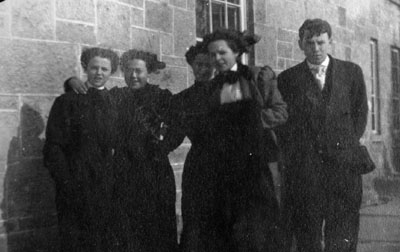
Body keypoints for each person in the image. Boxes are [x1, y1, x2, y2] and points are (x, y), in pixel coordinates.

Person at [174, 29, 287, 252]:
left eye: (222, 52)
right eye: (213, 54)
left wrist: (250, 121)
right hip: (223, 170)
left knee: (256, 231)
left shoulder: (258, 76)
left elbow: (281, 112)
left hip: (254, 167)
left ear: (236, 52)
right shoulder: (212, 87)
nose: (217, 59)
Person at [63, 49, 184, 251]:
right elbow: (92, 93)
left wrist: (161, 148)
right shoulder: (117, 96)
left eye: (139, 71)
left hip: (155, 172)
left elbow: (179, 127)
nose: (133, 76)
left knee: (157, 230)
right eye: (128, 71)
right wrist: (71, 82)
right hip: (124, 172)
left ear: (148, 72)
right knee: (126, 230)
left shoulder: (162, 97)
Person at [276, 19, 368, 252]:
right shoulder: (287, 79)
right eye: (309, 43)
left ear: (330, 42)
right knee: (308, 234)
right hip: (306, 172)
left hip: (344, 169)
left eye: (320, 42)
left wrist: (343, 146)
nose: (315, 49)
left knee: (343, 232)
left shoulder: (352, 72)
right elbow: (284, 125)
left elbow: (360, 114)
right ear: (300, 44)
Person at [43, 47, 121, 251]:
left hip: (106, 186)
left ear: (111, 72)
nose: (99, 73)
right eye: (94, 67)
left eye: (105, 69)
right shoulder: (67, 101)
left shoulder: (115, 102)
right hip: (75, 185)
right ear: (85, 68)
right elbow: (54, 147)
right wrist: (66, 182)